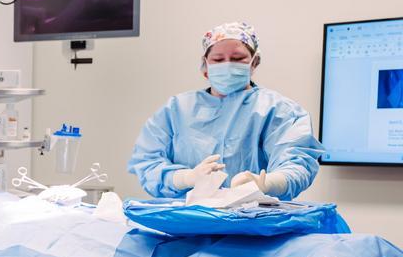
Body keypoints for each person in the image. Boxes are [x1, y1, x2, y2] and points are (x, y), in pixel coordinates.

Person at [128, 21, 323, 201]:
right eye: (218, 59)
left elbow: (298, 164)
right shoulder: (176, 110)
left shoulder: (279, 111)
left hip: (254, 224)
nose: (228, 65)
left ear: (254, 62)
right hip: (187, 223)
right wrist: (185, 178)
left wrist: (268, 183)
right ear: (205, 65)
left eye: (238, 58)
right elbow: (148, 162)